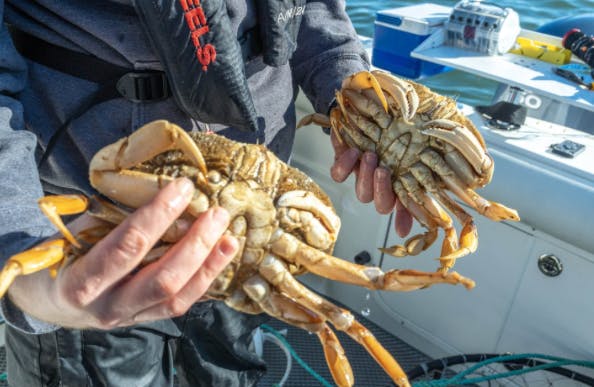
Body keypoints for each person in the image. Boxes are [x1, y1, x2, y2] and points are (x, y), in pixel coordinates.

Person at [0, 1, 412, 385]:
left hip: (256, 243)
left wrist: (357, 101)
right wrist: (21, 252)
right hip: (94, 240)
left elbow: (315, 16)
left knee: (239, 369)